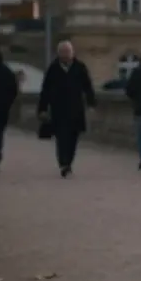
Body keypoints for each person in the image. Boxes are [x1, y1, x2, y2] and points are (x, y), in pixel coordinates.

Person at [37, 40, 97, 178]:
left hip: (76, 109)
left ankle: (68, 161)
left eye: (67, 52)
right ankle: (64, 163)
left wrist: (91, 103)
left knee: (73, 138)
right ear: (59, 54)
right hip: (58, 109)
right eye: (62, 52)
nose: (65, 55)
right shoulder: (53, 68)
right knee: (61, 138)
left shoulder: (80, 67)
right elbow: (45, 90)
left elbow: (88, 87)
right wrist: (42, 108)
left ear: (72, 53)